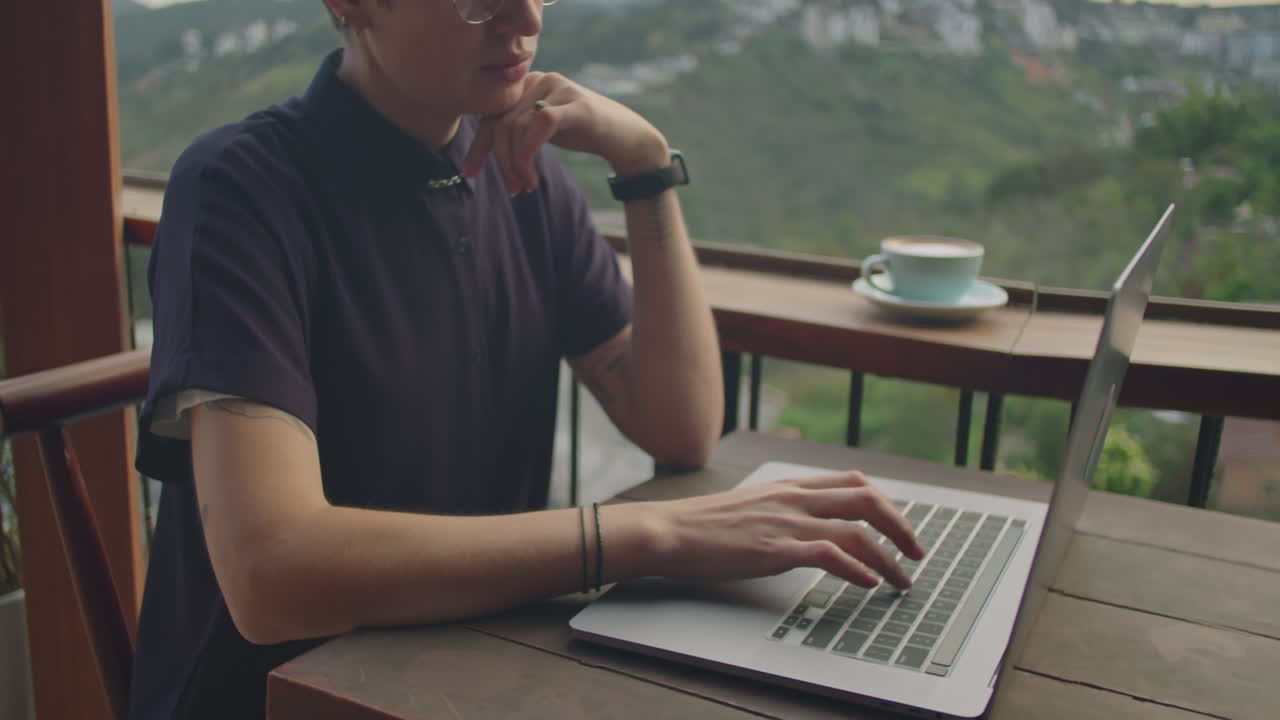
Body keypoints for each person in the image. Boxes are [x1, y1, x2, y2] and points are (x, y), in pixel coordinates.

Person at [128, 1, 923, 718]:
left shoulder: (524, 175)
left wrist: (645, 167)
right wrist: (645, 534)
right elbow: (274, 575)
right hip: (281, 693)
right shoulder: (244, 188)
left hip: (470, 665)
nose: (526, 18)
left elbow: (678, 426)